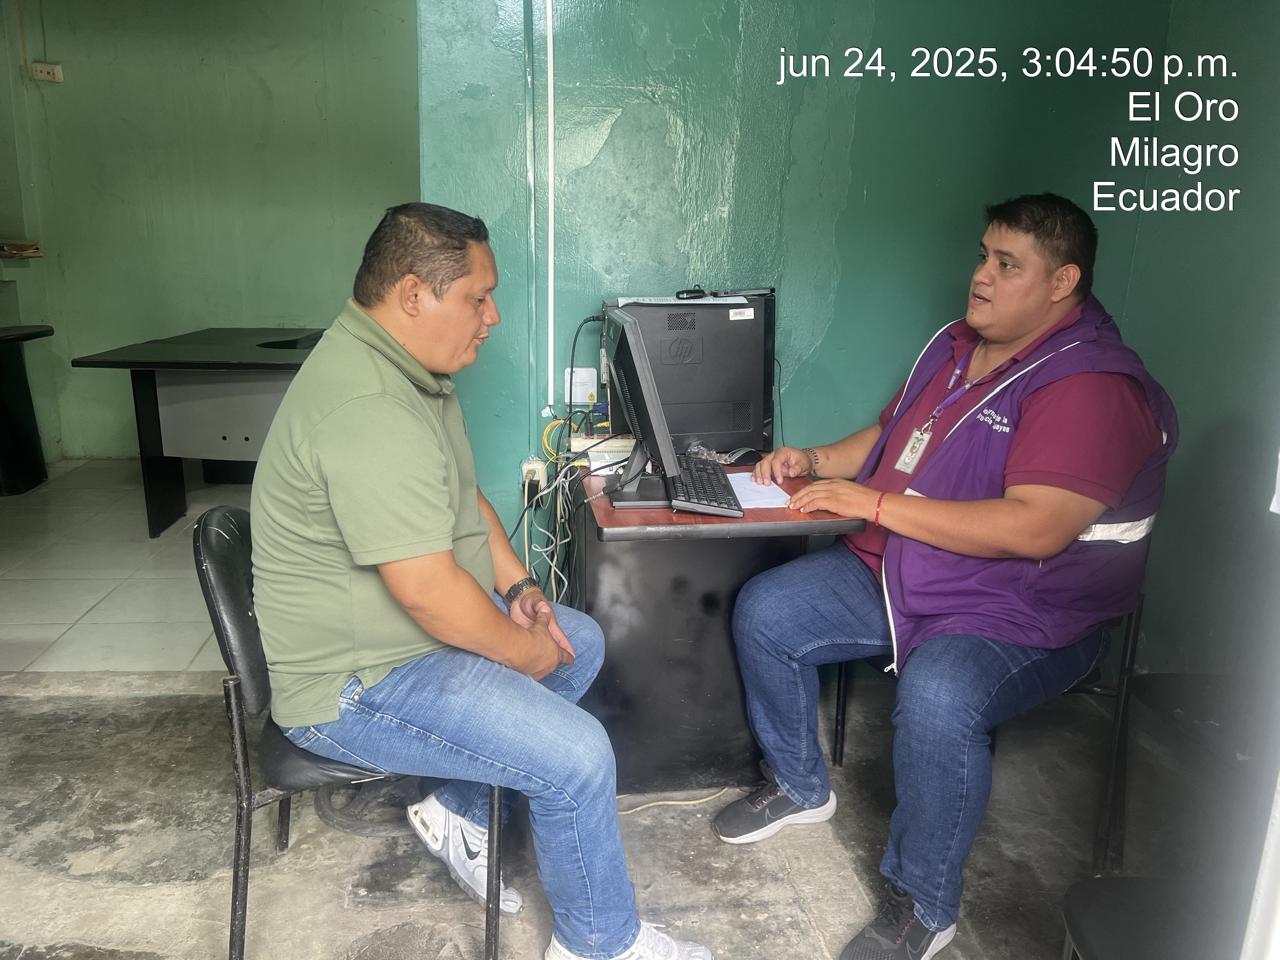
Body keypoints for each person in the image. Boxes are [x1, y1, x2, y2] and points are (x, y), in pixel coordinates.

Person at [711, 194, 1177, 960]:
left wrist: (873, 504)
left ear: (1062, 283)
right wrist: (816, 460)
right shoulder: (958, 344)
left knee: (939, 695)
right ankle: (799, 785)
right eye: (983, 256)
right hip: (914, 571)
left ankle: (922, 905)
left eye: (1007, 264)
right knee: (769, 610)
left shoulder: (1092, 386)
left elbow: (1036, 527)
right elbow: (893, 436)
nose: (981, 277)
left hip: (1025, 610)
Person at [250, 202, 712, 960]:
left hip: (402, 645)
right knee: (576, 757)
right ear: (413, 294)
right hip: (354, 685)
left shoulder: (412, 375)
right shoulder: (369, 407)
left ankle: (457, 809)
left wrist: (521, 591)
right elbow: (428, 593)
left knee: (578, 640)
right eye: (478, 297)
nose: (492, 316)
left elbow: (464, 501)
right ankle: (598, 946)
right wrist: (521, 651)